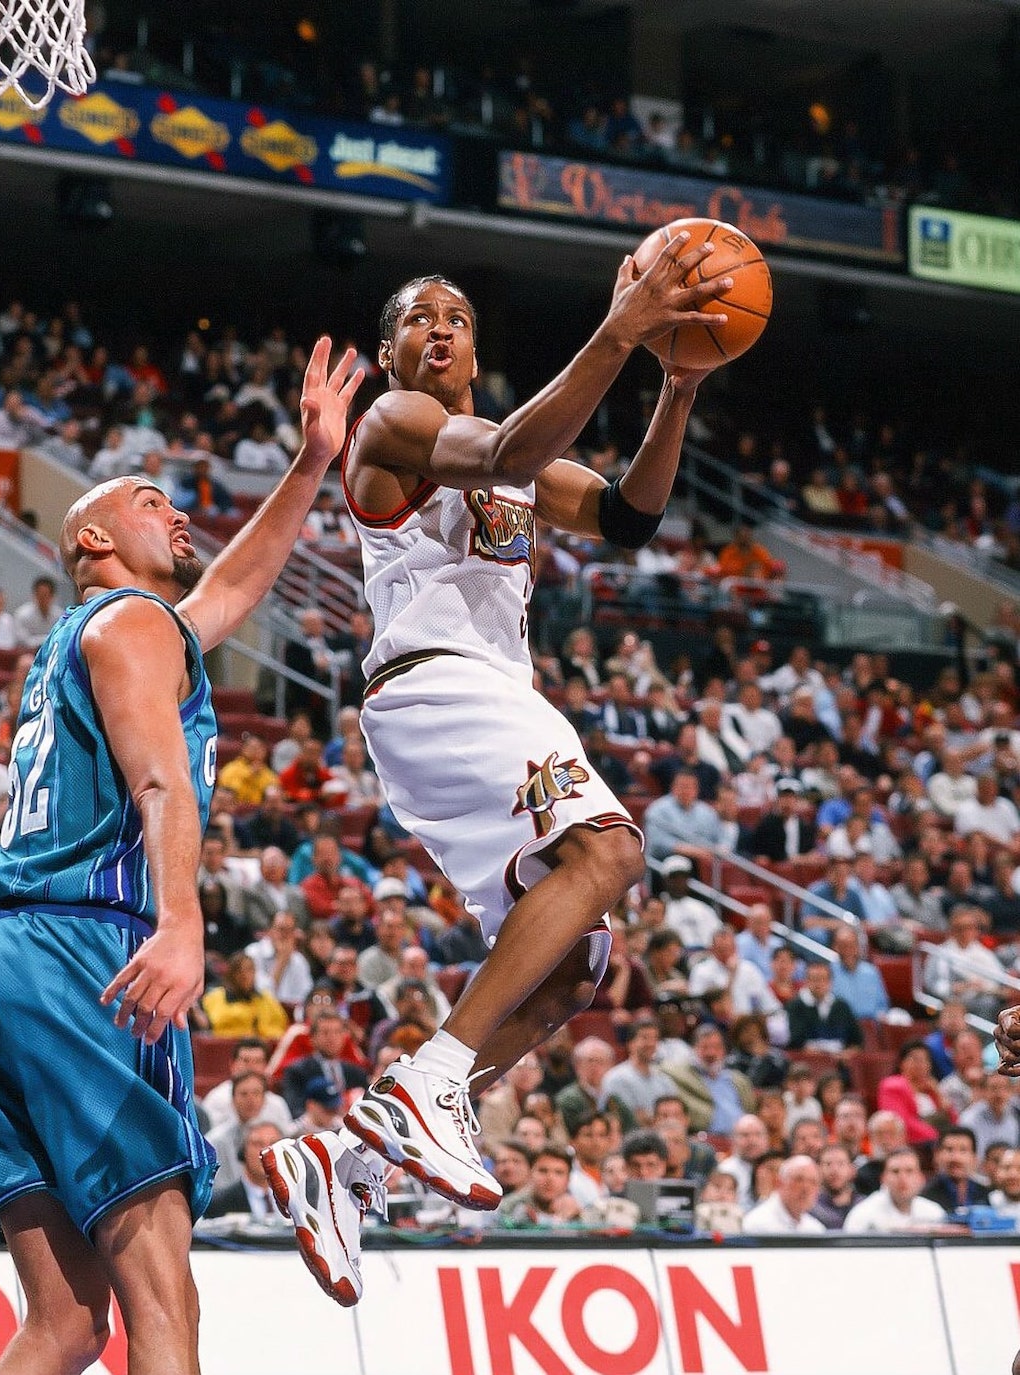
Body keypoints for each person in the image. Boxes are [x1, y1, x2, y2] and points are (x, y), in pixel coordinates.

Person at [261, 256, 731, 1298]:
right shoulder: (393, 423)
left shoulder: (514, 462)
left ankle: (344, 1170)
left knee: (571, 970)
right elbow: (515, 443)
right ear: (388, 355)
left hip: (478, 707)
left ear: (475, 348)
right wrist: (616, 330)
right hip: (436, 686)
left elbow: (627, 516)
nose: (440, 328)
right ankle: (428, 1084)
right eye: (417, 318)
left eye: (458, 317)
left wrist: (677, 384)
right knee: (608, 849)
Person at [0, 337, 363, 1375]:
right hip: (82, 951)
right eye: (149, 499)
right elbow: (161, 784)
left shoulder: (106, 632)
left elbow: (229, 593)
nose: (177, 513)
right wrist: (182, 921)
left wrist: (309, 465)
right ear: (91, 533)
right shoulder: (130, 623)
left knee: (67, 1320)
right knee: (161, 1287)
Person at [741, 1155, 825, 1234]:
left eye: (813, 1182)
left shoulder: (815, 1229)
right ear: (780, 1183)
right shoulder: (756, 1224)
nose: (806, 1188)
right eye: (798, 1180)